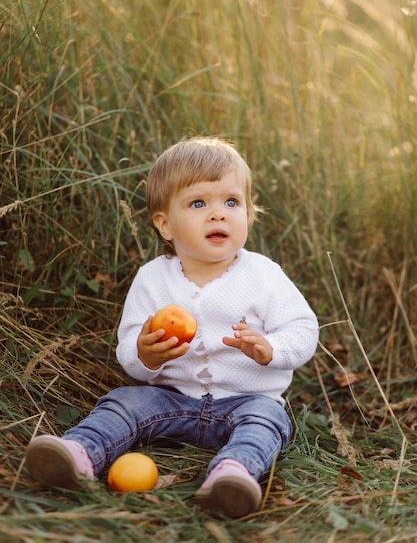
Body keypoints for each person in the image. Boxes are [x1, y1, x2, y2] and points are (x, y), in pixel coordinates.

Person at [26, 136, 319, 518]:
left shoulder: (263, 275)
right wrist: (145, 354)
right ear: (165, 224)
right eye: (199, 203)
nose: (218, 214)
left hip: (247, 400)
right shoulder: (151, 279)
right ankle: (79, 453)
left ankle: (232, 475)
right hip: (171, 398)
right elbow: (129, 346)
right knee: (123, 402)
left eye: (231, 202)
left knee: (267, 421)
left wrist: (271, 349)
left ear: (248, 212)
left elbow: (303, 328)